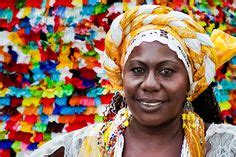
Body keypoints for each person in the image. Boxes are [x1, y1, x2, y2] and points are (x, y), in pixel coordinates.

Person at [31, 4, 236, 157]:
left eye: (166, 71)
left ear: (190, 84)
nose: (149, 84)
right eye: (137, 70)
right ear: (121, 78)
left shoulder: (226, 146)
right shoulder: (76, 148)